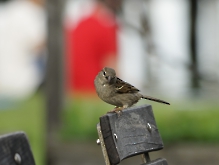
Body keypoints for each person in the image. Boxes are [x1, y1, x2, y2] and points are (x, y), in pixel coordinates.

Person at [65, 0, 120, 95]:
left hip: (71, 90)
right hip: (96, 92)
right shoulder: (107, 25)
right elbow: (111, 65)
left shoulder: (75, 24)